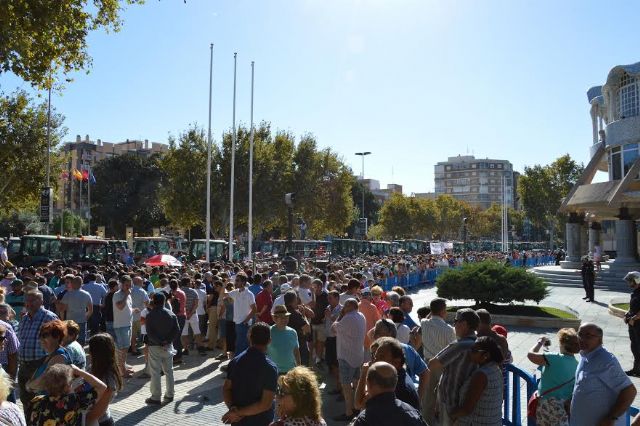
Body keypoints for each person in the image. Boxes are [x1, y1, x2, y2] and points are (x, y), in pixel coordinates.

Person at [570, 322, 637, 426]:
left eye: (588, 336)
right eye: (580, 334)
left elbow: (630, 391)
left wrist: (611, 417)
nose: (582, 339)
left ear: (600, 339)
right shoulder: (585, 355)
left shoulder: (605, 361)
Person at [428, 308, 479, 426]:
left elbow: (433, 363)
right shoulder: (479, 343)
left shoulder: (459, 345)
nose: (454, 325)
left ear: (464, 324)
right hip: (468, 403)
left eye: (456, 321)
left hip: (451, 402)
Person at [222, 322, 278, 425]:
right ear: (269, 341)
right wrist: (238, 412)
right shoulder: (270, 368)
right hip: (261, 421)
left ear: (249, 338)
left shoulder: (235, 362)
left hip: (238, 422)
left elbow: (226, 388)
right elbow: (265, 404)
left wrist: (233, 410)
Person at [17, 290, 58, 420]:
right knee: (25, 399)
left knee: (41, 399)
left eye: (32, 300)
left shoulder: (49, 317)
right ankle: (29, 421)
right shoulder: (24, 318)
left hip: (40, 365)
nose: (29, 303)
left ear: (41, 301)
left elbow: (58, 342)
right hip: (23, 365)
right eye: (27, 300)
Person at [527, 328, 579, 426]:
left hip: (546, 404)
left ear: (561, 343)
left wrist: (540, 342)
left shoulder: (553, 358)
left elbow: (531, 355)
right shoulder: (577, 365)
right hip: (563, 407)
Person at [352, 361, 428, 426]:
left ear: (368, 383)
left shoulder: (365, 419)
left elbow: (357, 404)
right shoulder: (413, 412)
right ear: (395, 383)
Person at [30, 363, 107, 426]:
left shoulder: (35, 401)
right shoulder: (73, 401)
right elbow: (102, 387)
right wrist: (79, 371)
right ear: (67, 386)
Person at [451, 336, 504, 425]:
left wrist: (450, 414)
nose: (470, 353)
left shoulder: (481, 375)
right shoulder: (495, 368)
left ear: (486, 355)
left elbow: (467, 410)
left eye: (474, 351)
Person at [420, 297, 456, 424]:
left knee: (428, 395)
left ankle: (426, 421)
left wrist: (433, 310)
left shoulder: (424, 323)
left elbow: (428, 317)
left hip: (428, 363)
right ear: (443, 311)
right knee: (443, 396)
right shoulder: (449, 330)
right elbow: (453, 349)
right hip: (443, 364)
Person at [331, 298, 366, 422]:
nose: (343, 308)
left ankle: (348, 412)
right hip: (358, 355)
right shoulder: (361, 316)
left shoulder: (347, 318)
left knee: (346, 386)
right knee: (356, 384)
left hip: (346, 356)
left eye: (345, 306)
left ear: (349, 306)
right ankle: (357, 407)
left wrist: (339, 316)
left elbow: (333, 328)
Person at [145, 292, 181, 405]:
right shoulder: (171, 314)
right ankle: (170, 394)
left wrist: (160, 342)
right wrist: (167, 341)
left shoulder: (150, 315)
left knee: (155, 372)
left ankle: (156, 397)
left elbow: (149, 333)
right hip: (168, 345)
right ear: (164, 301)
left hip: (155, 345)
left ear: (153, 301)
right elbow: (176, 330)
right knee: (169, 371)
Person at [87, 333, 123, 426]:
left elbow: (95, 414)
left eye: (90, 349)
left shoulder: (108, 377)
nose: (89, 352)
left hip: (101, 422)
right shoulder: (92, 368)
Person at [226, 273, 257, 356]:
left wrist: (245, 320)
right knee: (240, 344)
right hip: (238, 323)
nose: (235, 282)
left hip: (244, 323)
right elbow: (224, 295)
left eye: (237, 280)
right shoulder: (235, 292)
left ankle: (238, 363)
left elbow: (254, 309)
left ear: (243, 282)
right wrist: (224, 283)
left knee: (242, 345)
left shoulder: (249, 294)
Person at [58, 276, 93, 346]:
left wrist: (62, 320)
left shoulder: (68, 294)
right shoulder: (87, 294)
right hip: (82, 321)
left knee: (70, 342)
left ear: (73, 283)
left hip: (70, 322)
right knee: (81, 342)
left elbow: (62, 309)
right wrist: (86, 318)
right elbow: (91, 310)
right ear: (81, 283)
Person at [112, 276, 134, 378]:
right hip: (121, 326)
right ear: (121, 284)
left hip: (128, 324)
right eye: (127, 285)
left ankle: (123, 367)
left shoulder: (127, 294)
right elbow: (120, 307)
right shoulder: (118, 294)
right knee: (123, 349)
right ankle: (121, 371)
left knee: (125, 347)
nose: (129, 287)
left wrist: (133, 310)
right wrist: (125, 295)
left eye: (130, 285)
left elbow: (126, 308)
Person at [267, 305, 300, 374]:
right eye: (281, 317)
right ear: (275, 319)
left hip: (291, 371)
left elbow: (296, 352)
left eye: (286, 317)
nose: (285, 319)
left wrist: (298, 369)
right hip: (274, 372)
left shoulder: (293, 332)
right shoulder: (268, 332)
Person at [624, 271, 640, 376]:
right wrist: (627, 314)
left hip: (638, 324)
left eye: (630, 281)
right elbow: (632, 306)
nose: (629, 283)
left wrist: (634, 318)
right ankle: (636, 369)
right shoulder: (635, 292)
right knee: (634, 346)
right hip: (633, 324)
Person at [129, 276, 149, 356]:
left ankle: (133, 348)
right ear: (139, 282)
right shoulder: (142, 291)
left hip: (130, 316)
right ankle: (145, 350)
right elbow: (147, 303)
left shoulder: (129, 291)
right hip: (140, 316)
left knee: (132, 335)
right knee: (144, 333)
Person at [82, 273, 107, 337]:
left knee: (87, 322)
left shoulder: (84, 286)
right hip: (96, 306)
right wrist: (103, 303)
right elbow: (105, 295)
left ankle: (88, 335)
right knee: (96, 323)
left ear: (88, 279)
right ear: (95, 278)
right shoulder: (100, 286)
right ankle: (94, 336)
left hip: (86, 306)